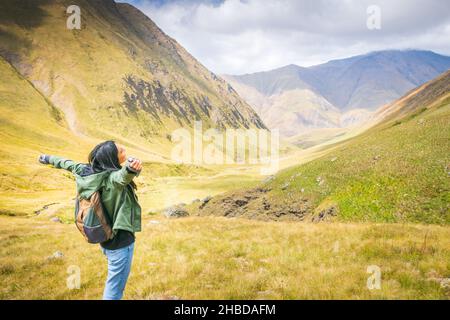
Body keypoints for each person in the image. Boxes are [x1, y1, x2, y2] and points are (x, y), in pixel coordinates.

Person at [38, 141, 142, 300]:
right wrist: (131, 169)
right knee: (115, 288)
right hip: (121, 242)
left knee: (114, 281)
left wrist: (47, 158)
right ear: (111, 158)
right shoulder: (112, 180)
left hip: (106, 239)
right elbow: (122, 177)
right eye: (121, 150)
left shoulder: (85, 171)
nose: (125, 151)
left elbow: (66, 163)